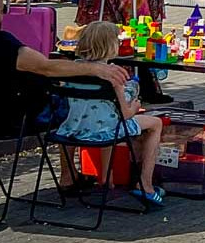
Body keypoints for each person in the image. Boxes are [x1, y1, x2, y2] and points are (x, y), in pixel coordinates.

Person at [0, 0, 130, 194]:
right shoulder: (2, 43)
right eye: (0, 11)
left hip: (10, 115)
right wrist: (94, 69)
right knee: (72, 109)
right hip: (17, 118)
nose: (2, 17)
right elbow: (46, 67)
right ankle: (76, 175)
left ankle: (70, 175)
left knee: (68, 107)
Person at [55, 22, 166, 206]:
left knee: (103, 117)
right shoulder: (111, 76)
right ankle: (145, 184)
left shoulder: (72, 70)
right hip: (105, 130)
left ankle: (92, 177)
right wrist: (136, 106)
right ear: (110, 46)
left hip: (72, 129)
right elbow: (125, 114)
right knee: (155, 124)